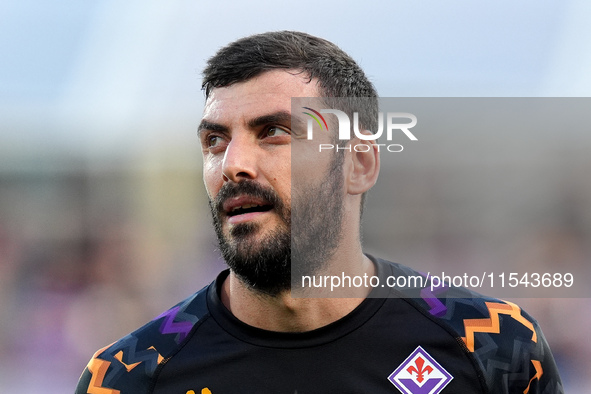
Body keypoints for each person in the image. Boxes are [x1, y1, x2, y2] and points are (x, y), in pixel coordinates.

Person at [75, 31, 563, 394]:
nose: (233, 165)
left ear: (359, 163)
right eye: (215, 140)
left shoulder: (495, 348)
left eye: (273, 132)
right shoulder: (129, 376)